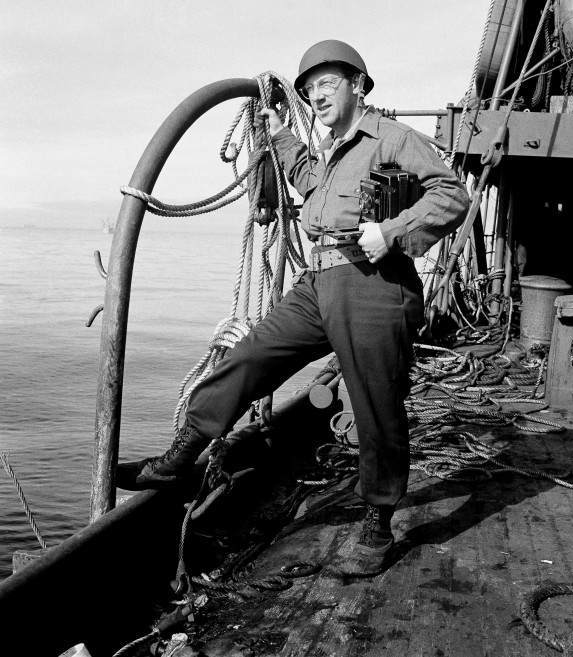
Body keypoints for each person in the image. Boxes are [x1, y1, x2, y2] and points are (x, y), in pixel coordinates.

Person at [117, 40, 469, 576]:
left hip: (373, 284)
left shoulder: (393, 138)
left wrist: (392, 232)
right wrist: (278, 128)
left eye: (327, 83)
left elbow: (452, 194)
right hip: (319, 281)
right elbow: (308, 178)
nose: (317, 95)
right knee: (251, 355)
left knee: (376, 408)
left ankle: (378, 520)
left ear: (357, 84)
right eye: (310, 89)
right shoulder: (328, 148)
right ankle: (181, 458)